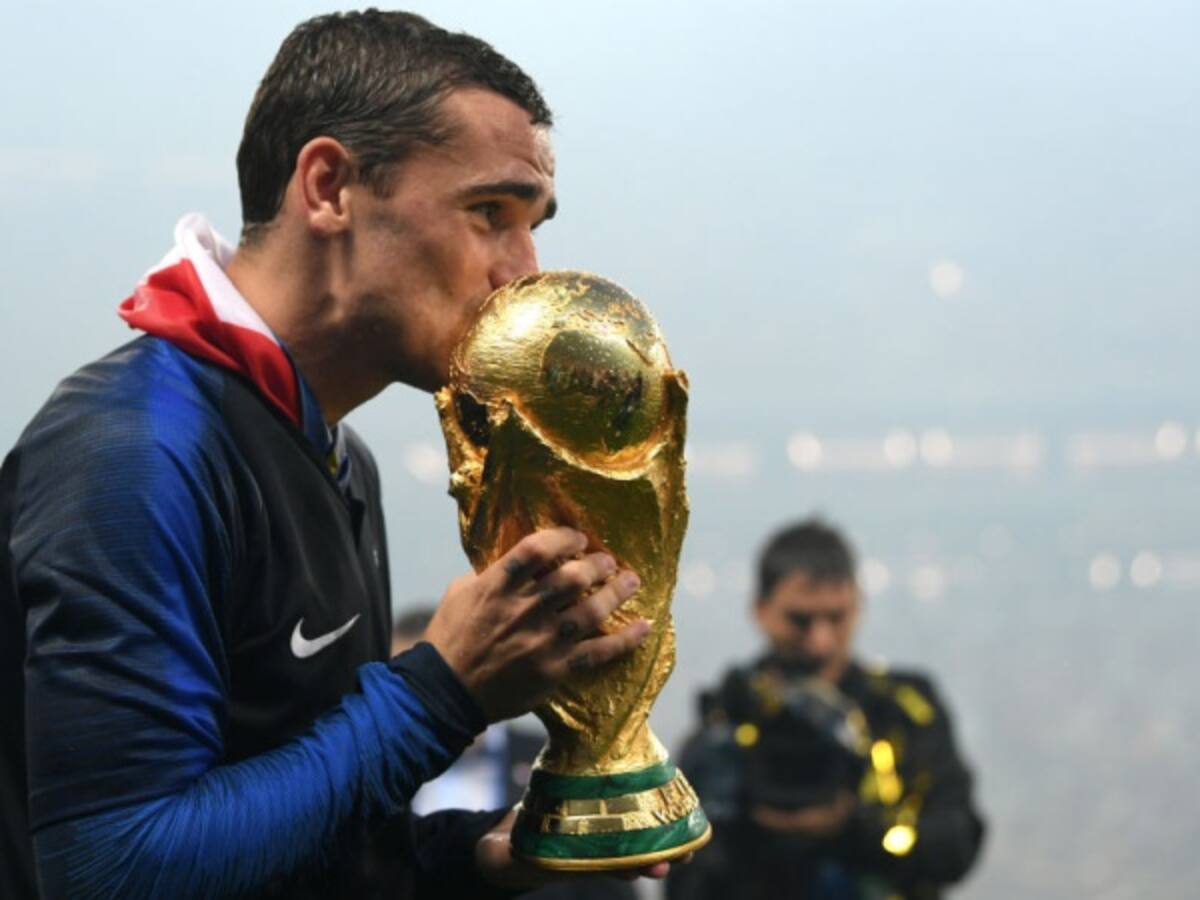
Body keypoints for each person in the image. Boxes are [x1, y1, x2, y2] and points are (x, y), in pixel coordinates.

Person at [0, 10, 664, 899]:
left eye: (532, 222)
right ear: (328, 188)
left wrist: (468, 854)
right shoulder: (133, 448)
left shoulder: (340, 456)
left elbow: (307, 833)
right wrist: (440, 694)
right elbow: (110, 869)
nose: (526, 271)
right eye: (490, 213)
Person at [668, 519, 985, 900]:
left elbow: (956, 844)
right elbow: (684, 882)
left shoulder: (903, 712)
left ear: (858, 607)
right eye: (800, 620)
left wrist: (853, 829)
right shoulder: (727, 725)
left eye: (837, 617)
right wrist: (743, 828)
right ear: (761, 609)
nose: (820, 640)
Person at [392, 608, 637, 900]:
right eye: (403, 692)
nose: (425, 705)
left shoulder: (560, 764)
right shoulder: (367, 786)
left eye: (435, 683)